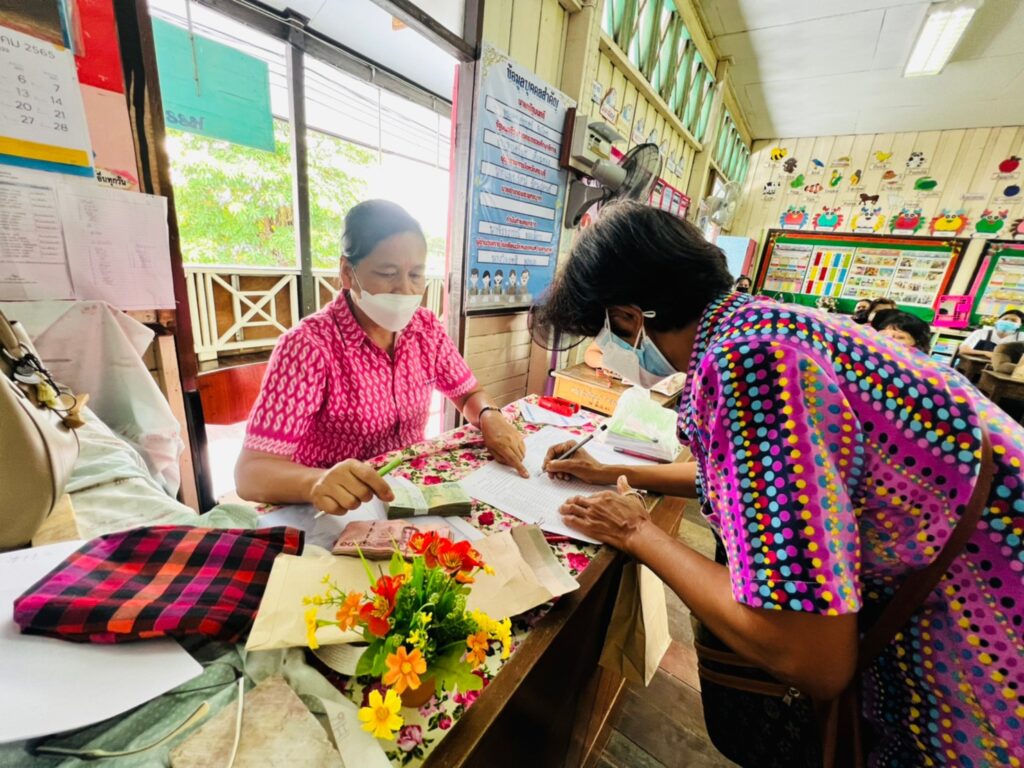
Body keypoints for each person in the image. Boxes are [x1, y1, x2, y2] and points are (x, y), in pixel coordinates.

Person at [533, 200, 1023, 766]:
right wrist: (609, 472)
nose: (605, 358)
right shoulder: (766, 326)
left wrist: (638, 533)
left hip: (983, 657)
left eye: (599, 336)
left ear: (627, 317)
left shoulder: (751, 364)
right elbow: (743, 481)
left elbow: (808, 654)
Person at [235, 200, 528, 513]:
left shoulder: (426, 329)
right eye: (388, 273)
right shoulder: (308, 348)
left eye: (416, 274)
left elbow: (468, 393)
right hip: (334, 508)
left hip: (407, 495)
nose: (405, 289)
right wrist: (315, 482)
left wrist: (489, 416)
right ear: (347, 273)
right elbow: (251, 472)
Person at [959, 308, 1024, 355]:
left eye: (1014, 320)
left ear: (1019, 325)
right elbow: (963, 349)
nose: (1008, 322)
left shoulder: (1021, 338)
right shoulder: (981, 333)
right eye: (1005, 319)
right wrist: (986, 353)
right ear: (998, 321)